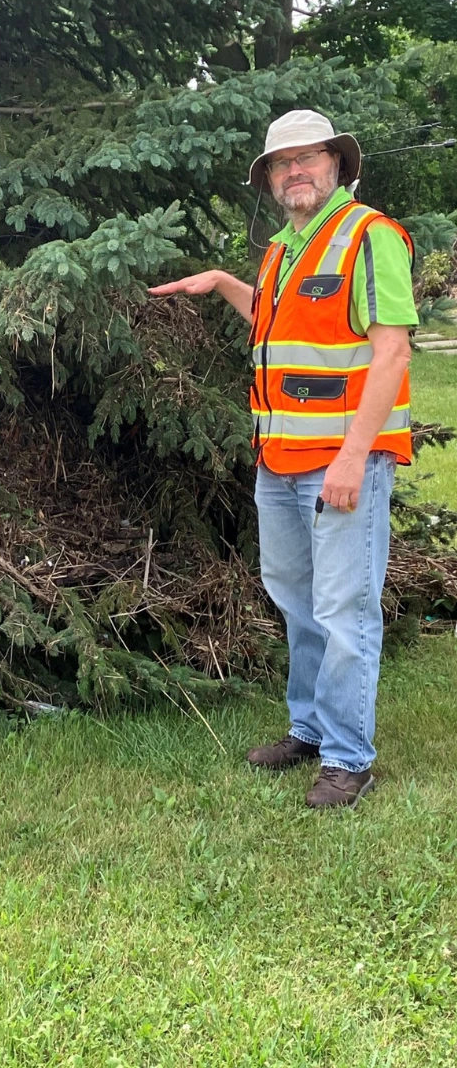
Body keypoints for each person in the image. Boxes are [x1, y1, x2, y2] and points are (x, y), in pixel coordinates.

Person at [149, 109, 418, 809]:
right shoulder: (284, 250)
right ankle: (308, 729)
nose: (294, 171)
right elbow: (278, 327)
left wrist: (355, 458)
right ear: (270, 179)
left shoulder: (370, 237)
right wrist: (221, 281)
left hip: (341, 463)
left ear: (337, 165)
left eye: (308, 158)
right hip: (280, 461)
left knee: (344, 608)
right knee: (297, 604)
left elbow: (391, 350)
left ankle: (349, 757)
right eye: (281, 163)